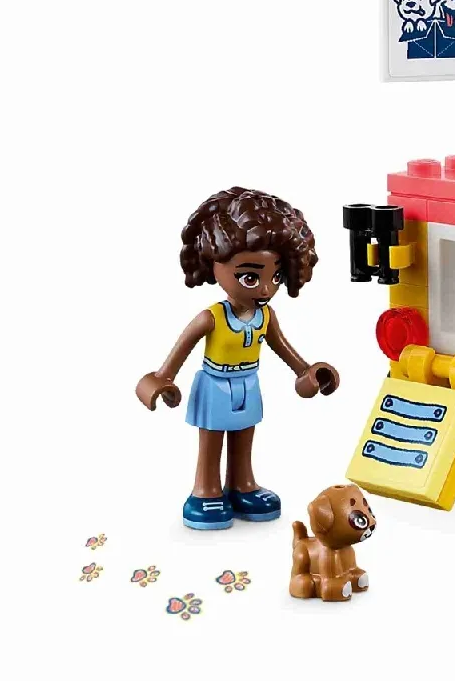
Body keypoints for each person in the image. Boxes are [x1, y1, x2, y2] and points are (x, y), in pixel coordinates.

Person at [136, 187, 339, 529]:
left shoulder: (265, 317)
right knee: (212, 439)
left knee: (245, 435)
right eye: (250, 277)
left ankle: (242, 485)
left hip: (248, 381)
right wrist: (163, 379)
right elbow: (179, 351)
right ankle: (205, 491)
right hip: (215, 383)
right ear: (215, 266)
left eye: (275, 276)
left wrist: (308, 372)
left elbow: (284, 349)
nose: (265, 289)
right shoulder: (211, 318)